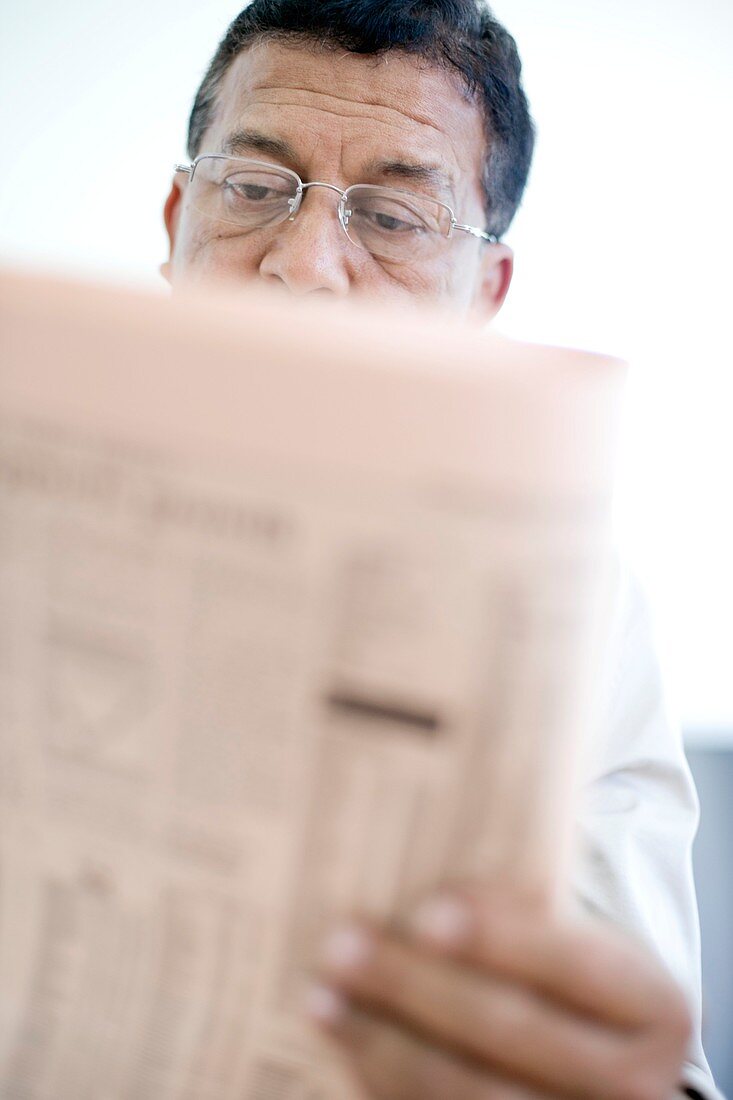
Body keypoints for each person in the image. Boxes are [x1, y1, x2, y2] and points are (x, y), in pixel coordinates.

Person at [161, 2, 721, 1097]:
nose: (307, 266)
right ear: (177, 219)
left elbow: (653, 1067)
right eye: (254, 189)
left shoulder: (579, 605)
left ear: (484, 295)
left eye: (393, 216)